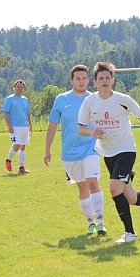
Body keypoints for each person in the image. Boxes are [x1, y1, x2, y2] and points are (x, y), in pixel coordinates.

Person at [77, 62, 140, 244]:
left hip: (126, 149)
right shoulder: (90, 102)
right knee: (131, 198)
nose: (105, 81)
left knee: (114, 188)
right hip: (108, 153)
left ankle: (130, 233)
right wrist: (92, 132)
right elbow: (81, 128)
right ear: (95, 82)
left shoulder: (123, 99)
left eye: (108, 78)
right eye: (101, 78)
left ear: (113, 80)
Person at [44, 65, 106, 235]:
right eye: (78, 78)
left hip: (90, 147)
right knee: (82, 187)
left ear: (88, 80)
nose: (81, 81)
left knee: (93, 182)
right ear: (72, 80)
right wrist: (47, 150)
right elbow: (52, 125)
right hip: (70, 152)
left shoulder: (94, 99)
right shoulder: (61, 100)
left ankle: (101, 222)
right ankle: (91, 223)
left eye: (84, 78)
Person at [2, 79, 33, 174]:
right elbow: (5, 112)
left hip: (24, 126)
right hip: (15, 127)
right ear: (14, 88)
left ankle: (21, 167)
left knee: (23, 146)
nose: (19, 89)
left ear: (23, 89)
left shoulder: (25, 100)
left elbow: (27, 113)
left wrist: (30, 125)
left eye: (21, 87)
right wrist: (9, 125)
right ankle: (8, 159)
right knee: (17, 145)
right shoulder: (9, 99)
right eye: (18, 87)